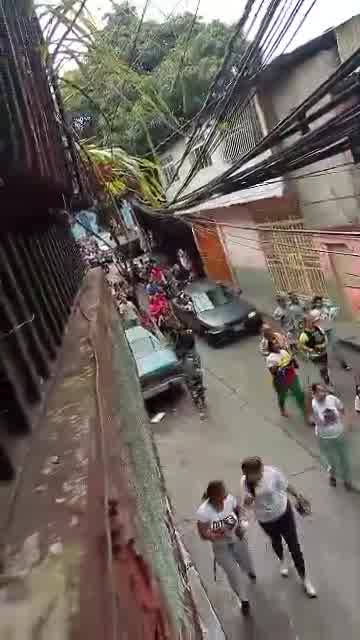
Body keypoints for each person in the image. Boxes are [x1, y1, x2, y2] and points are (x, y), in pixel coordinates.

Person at [240, 457, 316, 598]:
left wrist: (298, 496)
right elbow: (247, 504)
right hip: (265, 519)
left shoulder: (272, 473)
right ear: (248, 474)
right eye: (254, 474)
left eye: (260, 471)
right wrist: (248, 502)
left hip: (283, 513)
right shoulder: (245, 482)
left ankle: (305, 579)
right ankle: (283, 560)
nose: (260, 474)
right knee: (275, 541)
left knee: (294, 546)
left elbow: (285, 485)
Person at [196, 480, 256, 615]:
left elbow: (237, 510)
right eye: (223, 492)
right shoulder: (204, 512)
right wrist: (215, 535)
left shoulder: (229, 499)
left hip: (237, 538)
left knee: (246, 561)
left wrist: (240, 523)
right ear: (214, 496)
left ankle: (250, 570)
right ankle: (244, 600)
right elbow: (203, 534)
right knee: (233, 573)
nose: (226, 494)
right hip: (221, 546)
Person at [312, 384, 352, 489]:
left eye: (324, 390)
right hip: (324, 438)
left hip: (339, 434)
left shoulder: (332, 399)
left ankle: (347, 480)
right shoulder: (313, 405)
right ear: (314, 393)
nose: (323, 393)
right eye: (320, 391)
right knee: (331, 459)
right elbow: (314, 419)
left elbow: (342, 408)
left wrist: (347, 422)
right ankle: (332, 475)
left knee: (344, 458)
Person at [266, 341, 307, 420]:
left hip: (292, 377)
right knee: (282, 397)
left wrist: (294, 362)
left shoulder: (284, 351)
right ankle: (282, 409)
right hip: (281, 381)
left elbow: (292, 363)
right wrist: (281, 366)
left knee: (300, 395)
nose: (277, 345)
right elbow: (273, 372)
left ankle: (306, 415)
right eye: (274, 344)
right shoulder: (270, 358)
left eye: (277, 343)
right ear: (271, 347)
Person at [310, 296, 351, 370]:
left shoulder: (326, 308)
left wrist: (333, 315)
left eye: (320, 302)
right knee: (321, 349)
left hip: (330, 329)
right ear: (315, 303)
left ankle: (344, 364)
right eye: (317, 302)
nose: (319, 303)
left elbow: (332, 314)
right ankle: (319, 361)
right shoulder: (313, 312)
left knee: (335, 347)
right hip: (321, 333)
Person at [181, 332, 206, 418]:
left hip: (190, 378)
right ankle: (202, 403)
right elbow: (196, 366)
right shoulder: (194, 354)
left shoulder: (184, 355)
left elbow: (185, 368)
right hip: (196, 376)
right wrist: (200, 371)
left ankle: (200, 407)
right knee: (200, 390)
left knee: (194, 392)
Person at [299, 316, 330, 386]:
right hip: (315, 356)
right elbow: (302, 346)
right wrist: (310, 349)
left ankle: (325, 375)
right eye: (309, 322)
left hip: (324, 353)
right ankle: (325, 380)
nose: (311, 323)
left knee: (325, 366)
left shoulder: (319, 329)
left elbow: (325, 337)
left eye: (311, 321)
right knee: (322, 368)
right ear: (305, 324)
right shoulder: (303, 336)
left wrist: (324, 344)